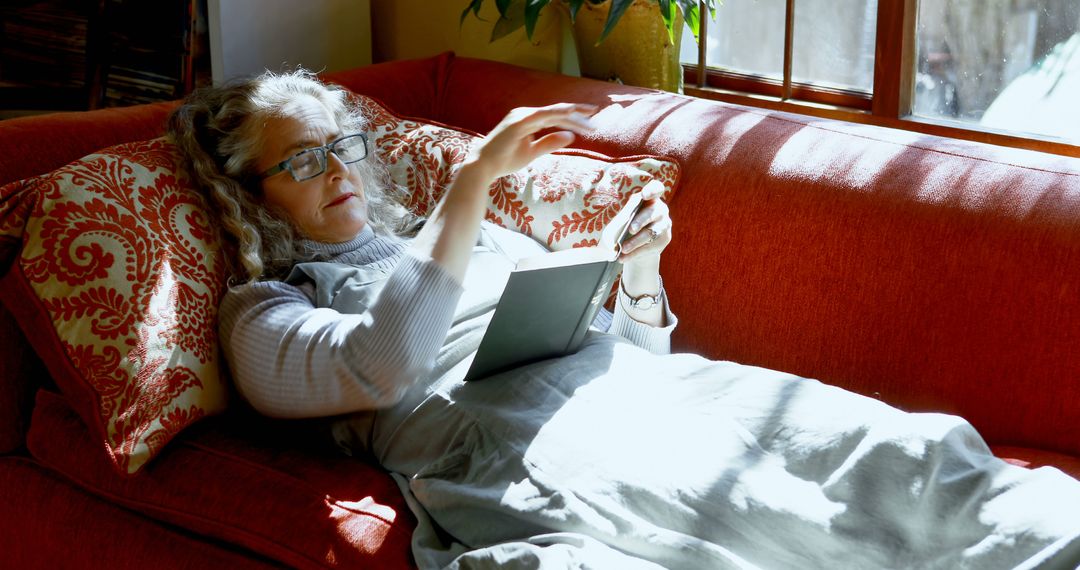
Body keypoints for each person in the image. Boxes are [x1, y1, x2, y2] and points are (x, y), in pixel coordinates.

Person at [168, 69, 1080, 570]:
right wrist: (471, 181)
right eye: (303, 161)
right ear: (248, 196)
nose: (338, 169)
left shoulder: (456, 235)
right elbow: (382, 366)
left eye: (343, 146)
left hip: (638, 385)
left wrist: (639, 276)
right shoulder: (267, 314)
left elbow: (634, 344)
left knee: (884, 450)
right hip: (499, 433)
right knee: (743, 518)